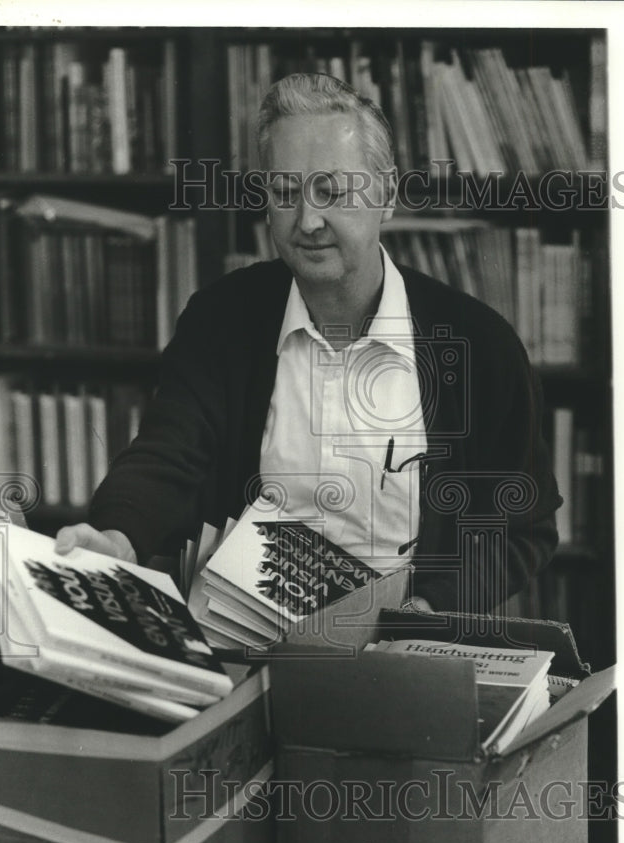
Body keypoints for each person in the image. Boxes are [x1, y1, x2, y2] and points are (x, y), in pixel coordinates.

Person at [55, 73, 561, 615]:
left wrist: (431, 608)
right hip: (247, 640)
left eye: (330, 191)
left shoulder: (479, 345)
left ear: (385, 195)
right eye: (285, 193)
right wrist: (117, 538)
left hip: (407, 645)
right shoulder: (222, 319)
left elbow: (521, 530)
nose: (308, 220)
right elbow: (168, 454)